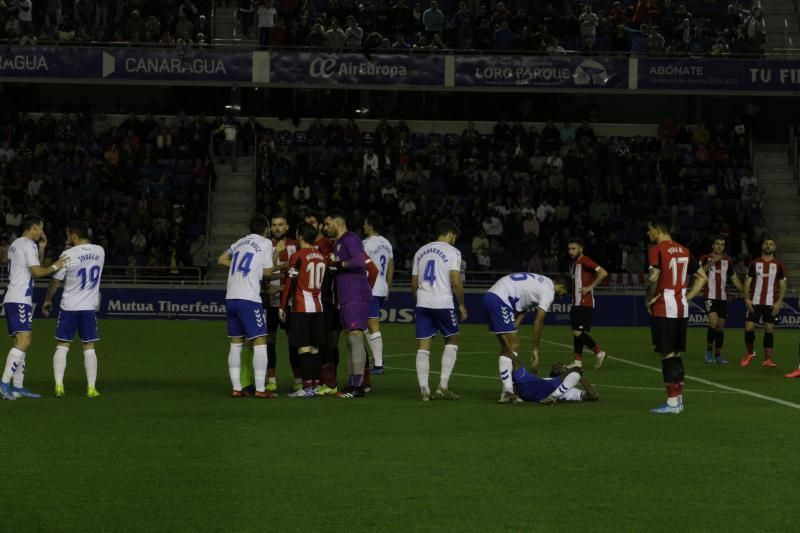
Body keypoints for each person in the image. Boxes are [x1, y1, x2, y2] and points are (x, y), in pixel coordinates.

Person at [0, 215, 68, 401]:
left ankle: (18, 387)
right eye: (41, 228)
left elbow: (34, 265)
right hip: (20, 298)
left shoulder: (17, 244)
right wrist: (57, 265)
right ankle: (4, 384)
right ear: (33, 228)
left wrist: (42, 248)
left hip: (15, 297)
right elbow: (37, 272)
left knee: (19, 342)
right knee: (25, 340)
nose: (42, 232)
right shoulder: (27, 244)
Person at [645, 216, 708, 414]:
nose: (648, 234)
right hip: (681, 306)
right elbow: (702, 277)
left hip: (664, 307)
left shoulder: (657, 250)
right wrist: (687, 296)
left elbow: (654, 278)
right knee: (676, 354)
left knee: (667, 354)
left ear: (657, 228)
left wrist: (650, 298)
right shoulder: (684, 250)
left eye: (650, 230)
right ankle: (678, 400)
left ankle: (672, 403)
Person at [42, 220, 105, 398]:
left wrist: (47, 300)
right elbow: (85, 254)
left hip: (69, 306)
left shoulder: (67, 255)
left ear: (74, 236)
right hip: (88, 308)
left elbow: (55, 281)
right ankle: (91, 388)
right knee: (89, 346)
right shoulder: (100, 251)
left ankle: (59, 386)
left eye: (69, 235)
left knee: (62, 345)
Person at [217, 215, 276, 398]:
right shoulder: (266, 243)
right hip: (249, 299)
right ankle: (260, 389)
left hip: (231, 298)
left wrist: (241, 267)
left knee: (236, 343)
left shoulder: (239, 243)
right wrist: (275, 254)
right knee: (260, 341)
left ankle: (237, 388)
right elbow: (267, 272)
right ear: (265, 228)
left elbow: (221, 259)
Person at [484, 272, 566, 404]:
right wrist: (535, 350)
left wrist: (514, 326)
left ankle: (509, 389)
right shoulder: (549, 291)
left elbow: (524, 306)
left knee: (509, 346)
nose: (562, 296)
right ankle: (507, 391)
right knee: (512, 346)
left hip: (493, 295)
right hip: (501, 299)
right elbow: (538, 322)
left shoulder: (542, 281)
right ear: (560, 285)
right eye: (564, 291)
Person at [411, 219, 466, 401]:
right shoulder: (453, 252)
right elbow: (456, 281)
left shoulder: (420, 251)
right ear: (450, 234)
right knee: (452, 339)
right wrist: (461, 304)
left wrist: (419, 301)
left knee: (423, 345)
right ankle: (442, 386)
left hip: (423, 301)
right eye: (454, 237)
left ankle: (424, 389)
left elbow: (413, 283)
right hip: (443, 302)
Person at [324, 210, 373, 398]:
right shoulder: (339, 243)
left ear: (338, 223)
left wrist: (340, 265)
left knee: (355, 337)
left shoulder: (350, 239)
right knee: (351, 341)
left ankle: (357, 386)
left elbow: (361, 260)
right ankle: (353, 384)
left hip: (356, 296)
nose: (325, 228)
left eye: (328, 224)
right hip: (346, 297)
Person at [279, 223, 327, 398]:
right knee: (315, 349)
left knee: (303, 349)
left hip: (302, 307)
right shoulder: (322, 257)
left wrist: (282, 306)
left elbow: (290, 283)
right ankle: (315, 386)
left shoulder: (298, 256)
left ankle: (307, 388)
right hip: (318, 307)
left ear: (300, 236)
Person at [264, 214, 300, 393]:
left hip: (291, 304)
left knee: (293, 342)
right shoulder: (264, 246)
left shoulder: (296, 245)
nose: (277, 228)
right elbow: (261, 274)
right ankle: (271, 380)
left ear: (287, 227)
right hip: (269, 303)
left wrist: (283, 289)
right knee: (269, 341)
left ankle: (298, 380)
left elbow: (300, 274)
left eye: (281, 225)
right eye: (274, 225)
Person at [305, 211, 339, 394]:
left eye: (313, 221)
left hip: (327, 301)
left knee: (328, 341)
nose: (310, 224)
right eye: (307, 222)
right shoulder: (305, 246)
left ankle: (330, 382)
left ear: (319, 225)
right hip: (312, 301)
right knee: (318, 341)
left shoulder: (328, 244)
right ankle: (321, 381)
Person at [741, 237, 787, 368]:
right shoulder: (754, 264)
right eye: (766, 243)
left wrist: (778, 302)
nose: (768, 246)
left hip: (771, 302)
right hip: (755, 301)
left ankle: (767, 360)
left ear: (774, 248)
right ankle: (750, 353)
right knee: (749, 327)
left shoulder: (779, 265)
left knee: (769, 329)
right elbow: (747, 283)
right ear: (762, 246)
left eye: (771, 244)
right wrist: (747, 300)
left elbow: (783, 286)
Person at [699, 236, 743, 364]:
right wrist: (713, 261)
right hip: (709, 296)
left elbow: (733, 277)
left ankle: (718, 355)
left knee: (720, 327)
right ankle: (708, 352)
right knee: (713, 322)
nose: (720, 246)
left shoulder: (727, 260)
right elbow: (700, 272)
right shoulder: (705, 258)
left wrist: (743, 291)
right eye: (717, 244)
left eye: (722, 244)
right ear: (712, 245)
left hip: (722, 298)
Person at [567, 237, 608, 369]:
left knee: (578, 332)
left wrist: (590, 287)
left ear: (581, 249)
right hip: (576, 302)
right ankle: (577, 362)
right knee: (576, 332)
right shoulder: (574, 264)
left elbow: (603, 272)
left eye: (574, 248)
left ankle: (598, 352)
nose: (571, 251)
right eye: (569, 249)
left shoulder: (585, 260)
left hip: (584, 302)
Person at [362, 213, 394, 374]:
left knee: (373, 325)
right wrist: (387, 286)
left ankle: (379, 364)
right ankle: (377, 357)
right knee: (367, 325)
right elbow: (391, 266)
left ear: (370, 226)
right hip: (381, 288)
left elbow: (362, 267)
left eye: (365, 224)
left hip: (370, 288)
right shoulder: (387, 243)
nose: (363, 226)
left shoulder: (365, 244)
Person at [508, 356, 599, 404]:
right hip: (536, 390)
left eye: (560, 366)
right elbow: (521, 384)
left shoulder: (572, 390)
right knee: (514, 360)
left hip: (536, 395)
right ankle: (509, 393)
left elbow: (593, 396)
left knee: (576, 372)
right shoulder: (546, 379)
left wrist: (580, 377)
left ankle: (553, 396)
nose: (558, 366)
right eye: (557, 367)